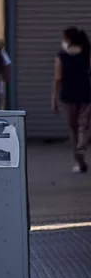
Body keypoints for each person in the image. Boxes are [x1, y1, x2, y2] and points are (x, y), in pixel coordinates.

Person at [52, 27, 91, 173]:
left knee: (72, 128)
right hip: (85, 93)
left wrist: (54, 99)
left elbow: (57, 79)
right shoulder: (86, 53)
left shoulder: (60, 56)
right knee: (84, 125)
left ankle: (78, 159)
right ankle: (81, 148)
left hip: (67, 95)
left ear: (68, 39)